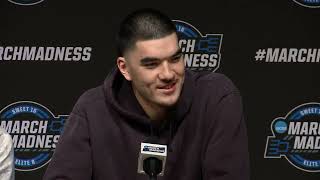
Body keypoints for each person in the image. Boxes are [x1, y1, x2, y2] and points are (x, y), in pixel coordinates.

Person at [43, 8, 250, 180]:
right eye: (152, 64)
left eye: (175, 58)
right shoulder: (92, 109)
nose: (168, 74)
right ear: (124, 68)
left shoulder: (216, 99)